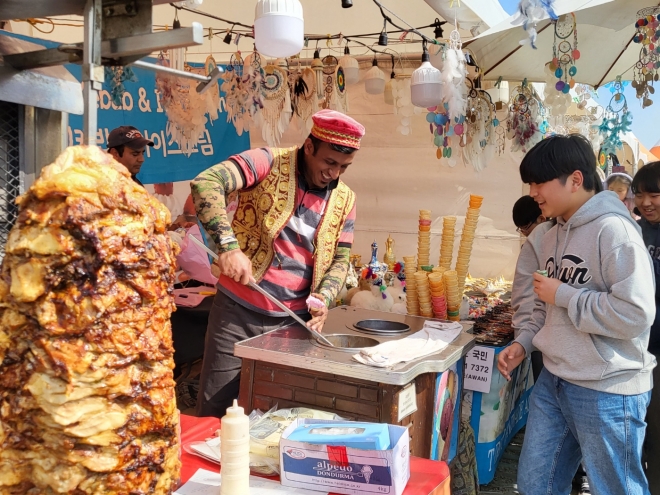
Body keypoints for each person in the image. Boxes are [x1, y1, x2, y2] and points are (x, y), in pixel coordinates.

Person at [497, 134, 656, 495]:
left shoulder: (614, 231)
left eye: (540, 182)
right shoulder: (549, 236)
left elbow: (636, 313)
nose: (533, 191)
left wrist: (565, 294)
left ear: (575, 179)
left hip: (607, 389)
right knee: (536, 484)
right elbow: (543, 304)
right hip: (555, 381)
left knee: (616, 489)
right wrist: (524, 343)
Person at [191, 109, 364, 417]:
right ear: (309, 147)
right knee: (217, 407)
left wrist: (324, 297)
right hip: (236, 314)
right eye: (328, 162)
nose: (333, 173)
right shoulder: (267, 161)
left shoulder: (346, 200)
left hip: (291, 322)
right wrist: (228, 246)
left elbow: (340, 259)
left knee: (277, 412)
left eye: (343, 167)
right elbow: (207, 182)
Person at [632, 161, 660, 493]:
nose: (646, 202)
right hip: (635, 348)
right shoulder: (635, 231)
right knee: (635, 431)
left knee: (656, 433)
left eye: (654, 194)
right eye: (640, 195)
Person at [510, 196, 550, 380]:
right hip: (539, 333)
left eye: (526, 228)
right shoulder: (543, 236)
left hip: (541, 336)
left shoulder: (545, 234)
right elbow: (526, 291)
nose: (525, 233)